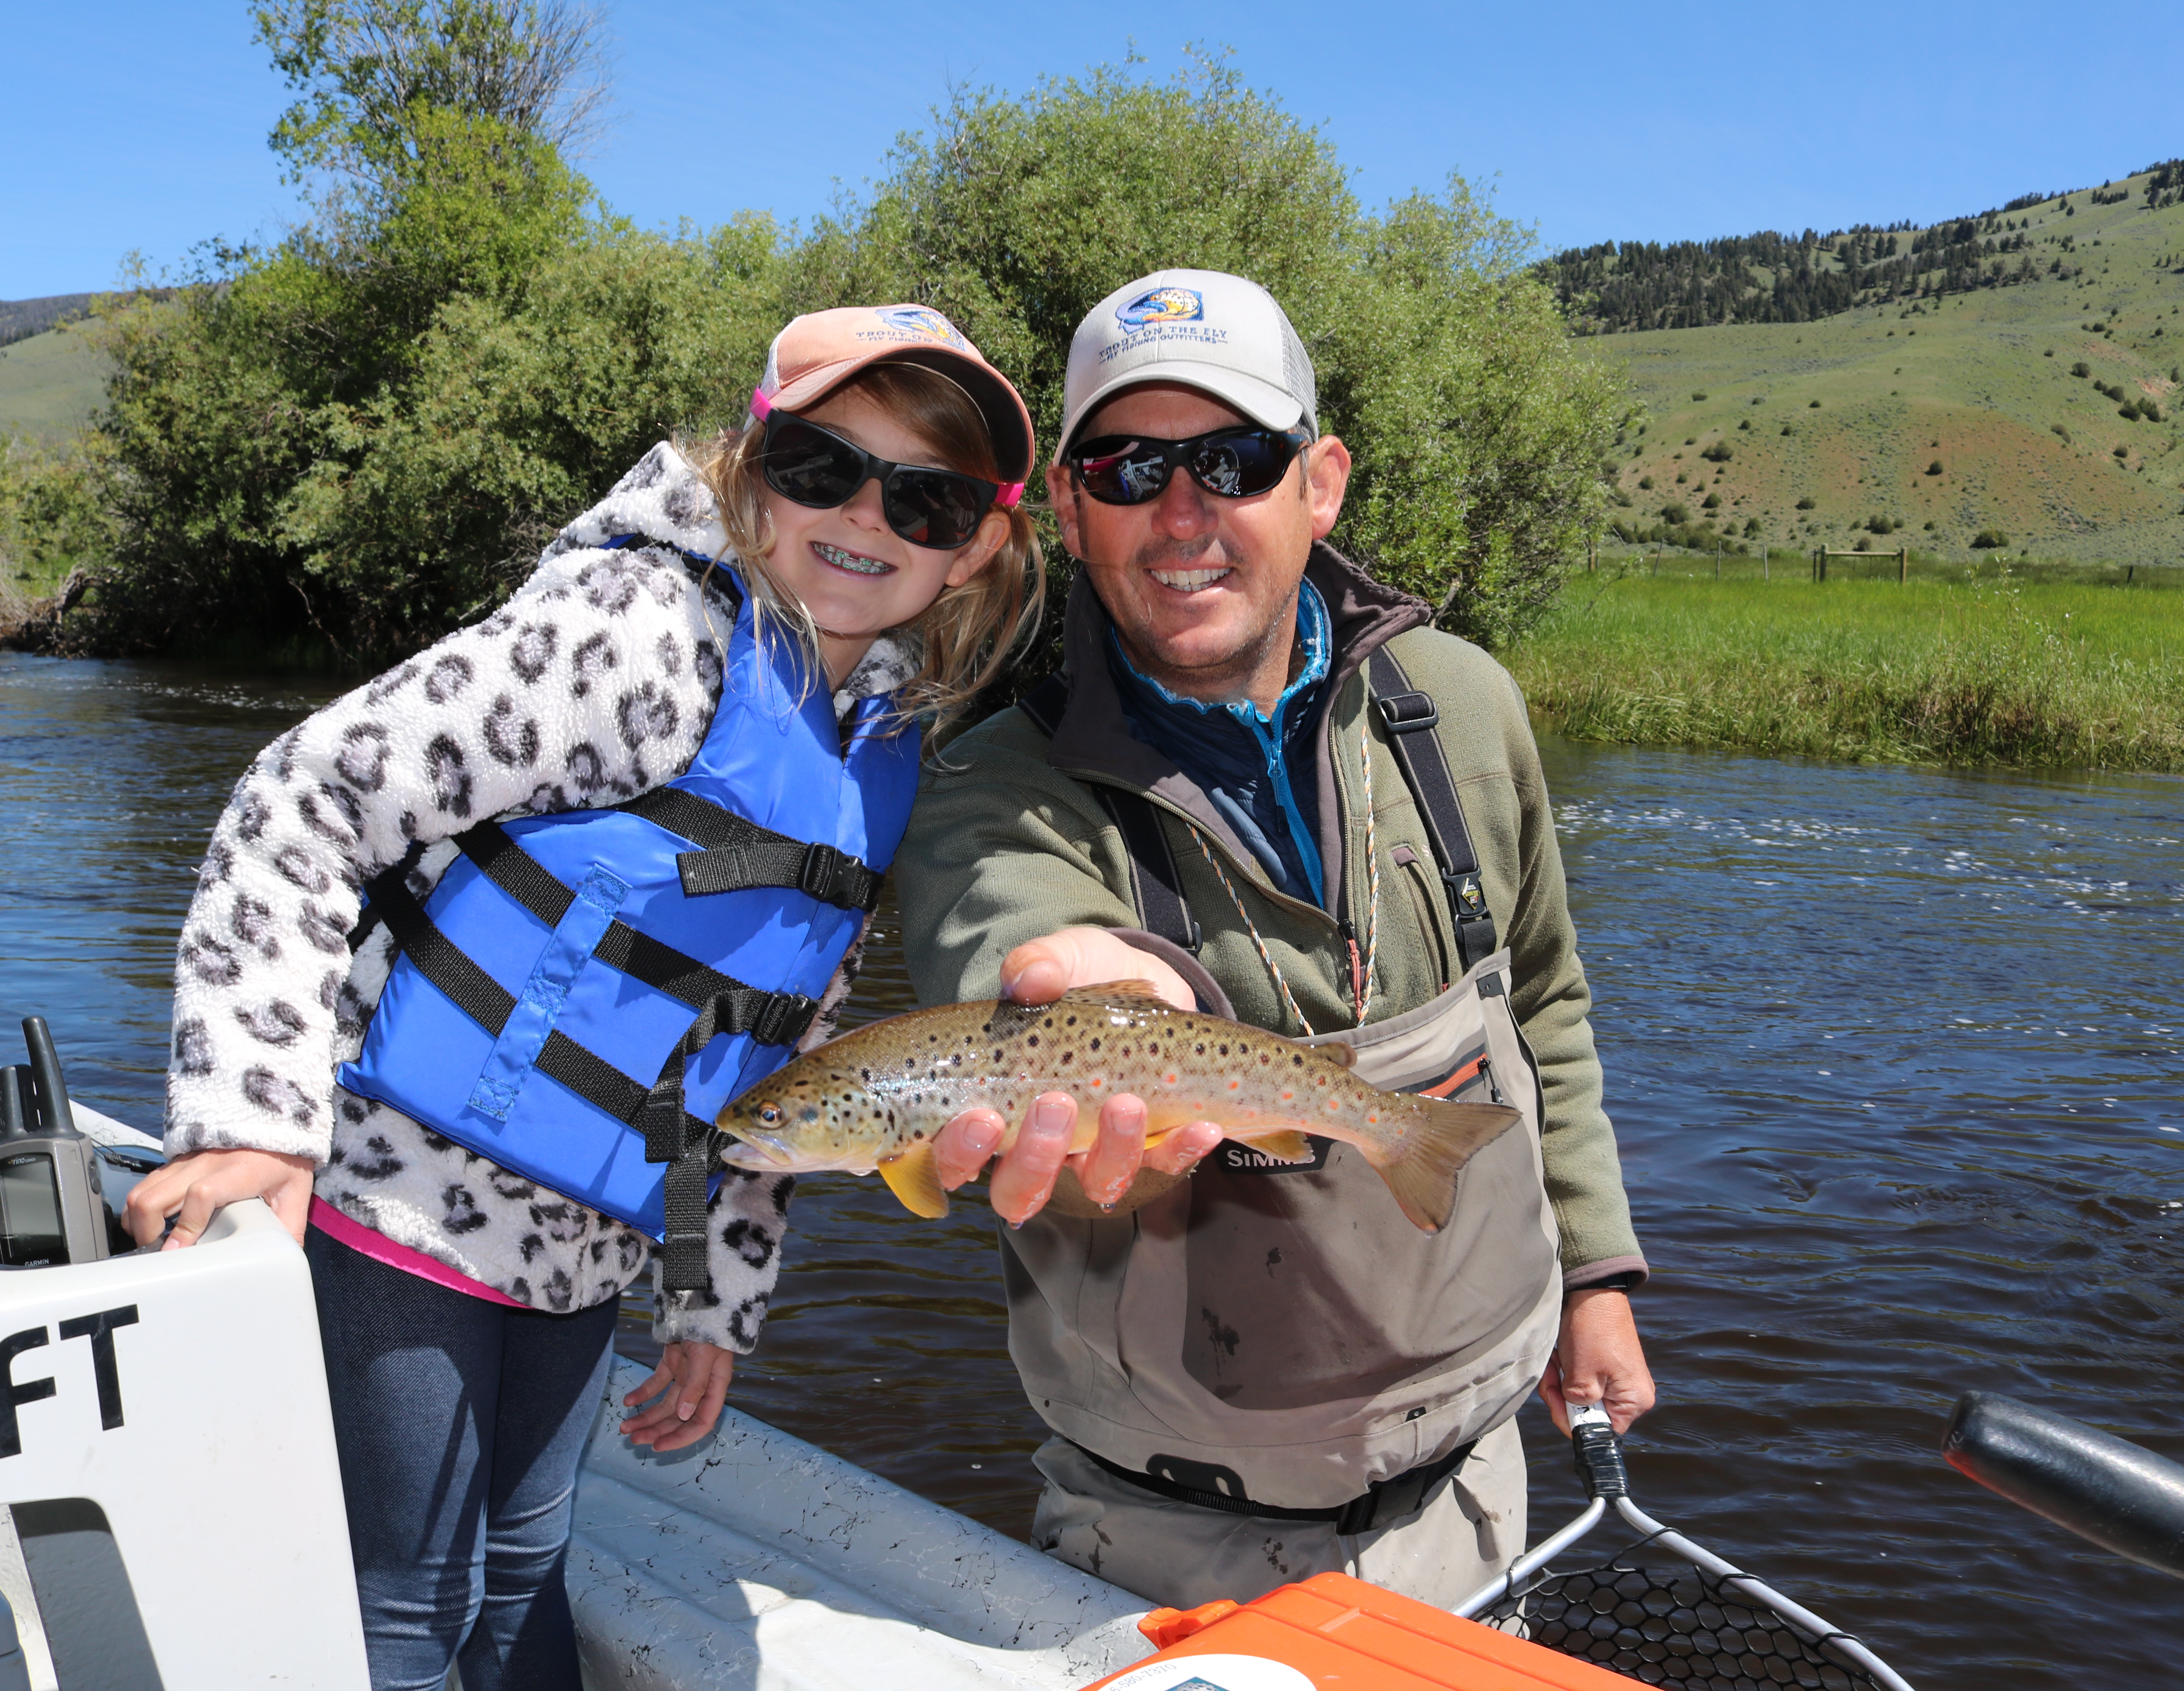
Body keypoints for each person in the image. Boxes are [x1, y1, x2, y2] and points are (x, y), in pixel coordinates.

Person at [125, 304, 1039, 1691]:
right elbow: (303, 802)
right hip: (395, 1200)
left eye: (927, 498)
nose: (868, 517)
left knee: (523, 1572)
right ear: (751, 461)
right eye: (821, 467)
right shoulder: (642, 640)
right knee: (407, 1610)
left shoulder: (878, 743)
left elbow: (769, 1058)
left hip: (584, 1247)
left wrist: (706, 1303)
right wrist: (250, 1122)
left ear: (975, 543)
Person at [897, 269, 1652, 1612]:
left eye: (1233, 461)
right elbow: (1015, 930)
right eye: (1127, 470)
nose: (1181, 516)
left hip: (1477, 1492)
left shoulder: (1465, 709)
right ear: (1069, 511)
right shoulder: (990, 786)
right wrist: (1096, 1000)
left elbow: (1543, 1007)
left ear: (1322, 484)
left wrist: (1594, 1277)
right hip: (1166, 1541)